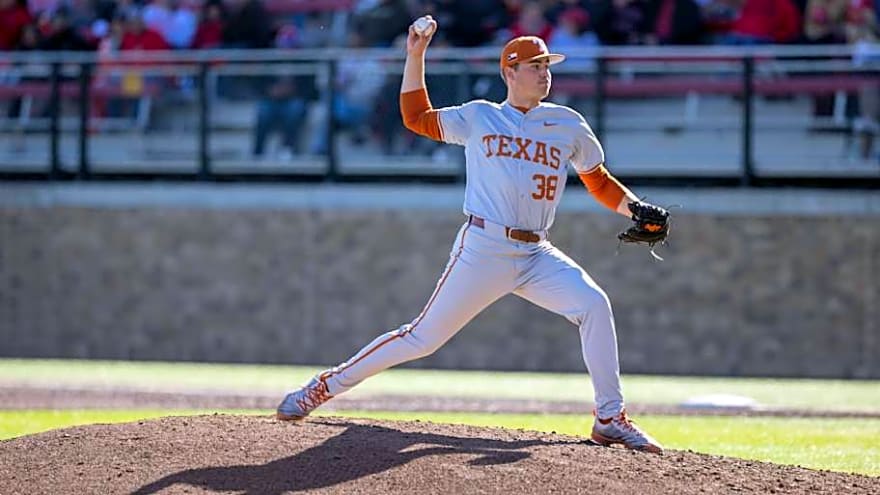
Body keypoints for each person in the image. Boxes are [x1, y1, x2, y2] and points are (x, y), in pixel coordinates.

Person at [277, 16, 667, 454]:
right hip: (484, 247)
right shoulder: (480, 116)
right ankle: (324, 386)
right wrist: (416, 54)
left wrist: (633, 206)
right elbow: (416, 117)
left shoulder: (568, 123)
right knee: (422, 338)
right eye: (535, 64)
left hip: (538, 252)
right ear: (510, 73)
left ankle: (610, 418)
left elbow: (597, 180)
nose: (545, 71)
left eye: (547, 64)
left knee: (594, 305)